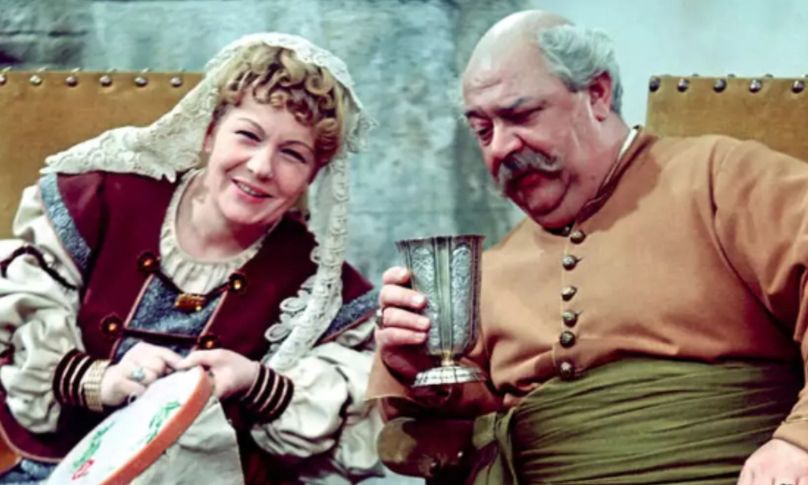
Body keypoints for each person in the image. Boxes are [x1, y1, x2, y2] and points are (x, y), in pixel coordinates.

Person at [369, 9, 808, 485]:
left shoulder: (719, 177)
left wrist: (799, 440)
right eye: (482, 130)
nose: (500, 147)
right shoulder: (489, 271)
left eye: (520, 115)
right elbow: (446, 433)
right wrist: (417, 370)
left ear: (596, 93)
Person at [0, 33, 383, 484]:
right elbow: (17, 328)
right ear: (208, 132)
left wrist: (254, 380)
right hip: (47, 468)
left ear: (312, 175)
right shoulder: (103, 201)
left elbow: (349, 417)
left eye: (292, 154)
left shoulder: (312, 286)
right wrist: (102, 380)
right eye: (248, 135)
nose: (261, 167)